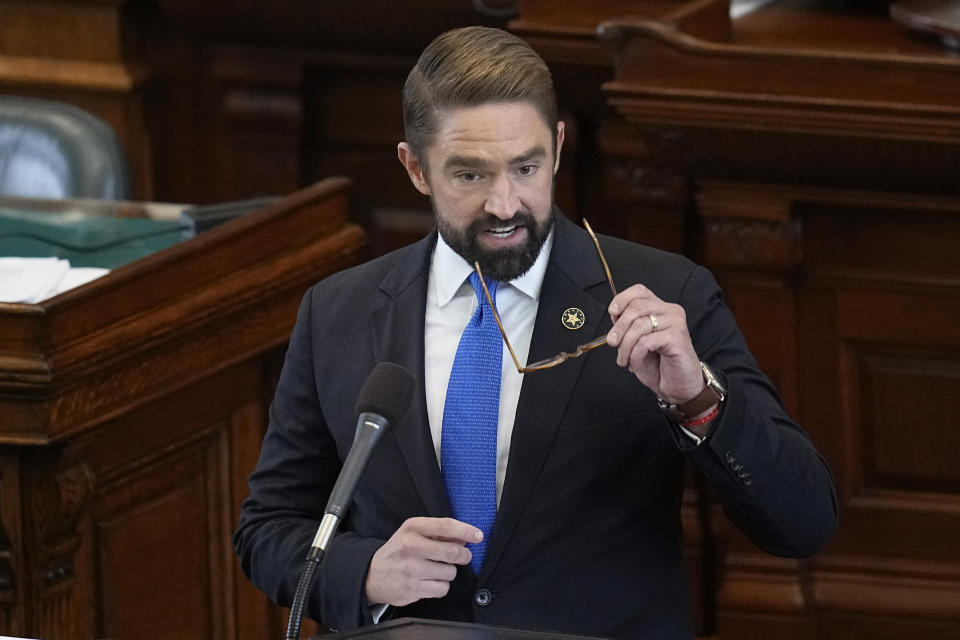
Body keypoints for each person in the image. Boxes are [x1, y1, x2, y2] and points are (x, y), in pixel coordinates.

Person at [233, 26, 837, 639]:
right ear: (415, 168)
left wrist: (698, 400)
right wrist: (365, 570)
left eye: (526, 168)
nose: (504, 205)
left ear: (558, 145)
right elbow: (268, 526)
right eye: (469, 175)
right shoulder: (338, 312)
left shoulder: (665, 295)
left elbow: (803, 523)